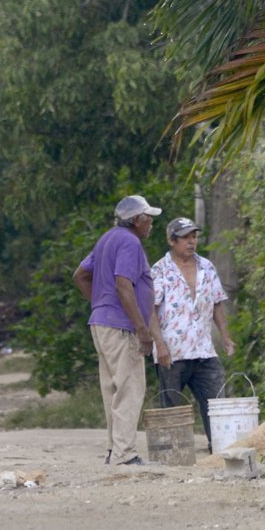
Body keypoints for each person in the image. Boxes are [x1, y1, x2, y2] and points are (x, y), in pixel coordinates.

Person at [72, 195, 159, 465]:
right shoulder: (130, 242)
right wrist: (142, 330)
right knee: (130, 387)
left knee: (112, 388)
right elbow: (123, 284)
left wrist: (100, 303)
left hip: (101, 323)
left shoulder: (107, 239)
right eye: (148, 219)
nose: (151, 224)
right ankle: (124, 453)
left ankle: (114, 449)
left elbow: (80, 275)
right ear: (136, 221)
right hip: (120, 327)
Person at [148, 216, 235, 448]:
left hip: (203, 349)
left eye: (194, 237)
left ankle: (219, 448)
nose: (191, 242)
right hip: (172, 351)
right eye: (185, 237)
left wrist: (225, 336)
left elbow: (217, 303)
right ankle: (174, 453)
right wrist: (159, 344)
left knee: (216, 403)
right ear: (171, 240)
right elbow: (151, 311)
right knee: (172, 405)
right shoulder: (160, 270)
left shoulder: (206, 267)